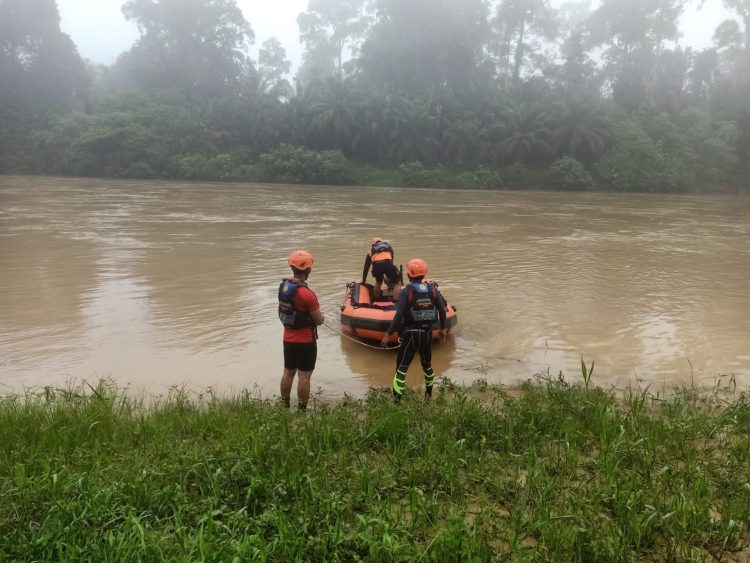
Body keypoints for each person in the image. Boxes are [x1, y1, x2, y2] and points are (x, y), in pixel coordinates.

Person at [380, 258, 447, 402]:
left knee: (401, 369)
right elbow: (442, 309)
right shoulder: (432, 289)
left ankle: (397, 402)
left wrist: (387, 335)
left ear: (409, 275)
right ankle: (428, 397)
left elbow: (399, 315)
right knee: (427, 367)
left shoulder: (407, 291)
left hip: (411, 335)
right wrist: (442, 330)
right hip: (427, 334)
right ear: (424, 274)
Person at [278, 250, 324, 410]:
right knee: (304, 376)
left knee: (288, 372)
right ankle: (302, 411)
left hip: (287, 339)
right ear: (308, 270)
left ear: (292, 268)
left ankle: (284, 405)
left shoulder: (284, 288)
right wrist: (321, 317)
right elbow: (319, 320)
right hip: (305, 341)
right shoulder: (307, 294)